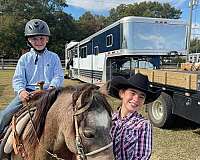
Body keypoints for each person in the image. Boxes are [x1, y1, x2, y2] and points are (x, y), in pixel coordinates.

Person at [0, 19, 64, 135]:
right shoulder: (24, 59)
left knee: (70, 114)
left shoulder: (54, 57)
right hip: (28, 94)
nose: (39, 41)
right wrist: (21, 91)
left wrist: (52, 87)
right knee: (5, 115)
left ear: (47, 39)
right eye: (34, 39)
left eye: (42, 38)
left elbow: (58, 76)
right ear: (29, 40)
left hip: (50, 92)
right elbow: (18, 79)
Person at [109, 73, 161, 160]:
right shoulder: (109, 119)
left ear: (144, 101)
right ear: (122, 93)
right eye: (133, 93)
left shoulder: (143, 125)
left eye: (141, 97)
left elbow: (142, 157)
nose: (136, 99)